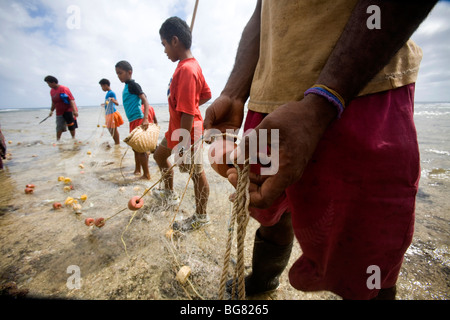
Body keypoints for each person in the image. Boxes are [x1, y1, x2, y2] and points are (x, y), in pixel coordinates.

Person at [204, 0, 438, 300]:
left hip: (359, 89)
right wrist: (234, 93)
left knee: (367, 261)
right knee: (271, 211)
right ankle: (264, 283)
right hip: (266, 102)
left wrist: (324, 102)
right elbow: (263, 12)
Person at [153, 17, 212, 232]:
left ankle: (201, 216)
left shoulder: (188, 70)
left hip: (186, 131)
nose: (165, 50)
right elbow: (204, 95)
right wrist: (190, 104)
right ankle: (170, 193)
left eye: (164, 45)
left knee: (196, 174)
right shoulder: (185, 66)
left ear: (174, 41)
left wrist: (184, 143)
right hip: (176, 128)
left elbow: (189, 110)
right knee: (159, 156)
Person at [115, 60, 151, 180]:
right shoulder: (127, 86)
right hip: (132, 121)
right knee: (135, 148)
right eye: (117, 74)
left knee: (140, 149)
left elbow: (145, 100)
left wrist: (145, 119)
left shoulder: (133, 85)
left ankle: (146, 175)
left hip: (138, 119)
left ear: (129, 72)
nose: (118, 76)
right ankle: (137, 169)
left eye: (120, 73)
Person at [44, 76, 79, 141]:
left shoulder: (63, 89)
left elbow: (71, 100)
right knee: (59, 126)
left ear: (53, 82)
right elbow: (53, 102)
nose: (48, 85)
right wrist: (51, 111)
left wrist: (74, 111)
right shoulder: (52, 91)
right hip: (59, 111)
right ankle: (58, 141)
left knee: (71, 125)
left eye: (49, 83)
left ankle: (73, 139)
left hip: (68, 110)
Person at [99, 78, 124, 145]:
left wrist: (113, 100)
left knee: (113, 130)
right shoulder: (108, 93)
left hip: (112, 114)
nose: (102, 88)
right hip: (108, 114)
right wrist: (104, 104)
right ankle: (116, 143)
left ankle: (117, 143)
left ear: (106, 85)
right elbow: (109, 103)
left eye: (102, 86)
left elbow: (117, 103)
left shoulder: (111, 93)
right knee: (111, 129)